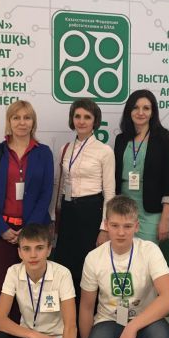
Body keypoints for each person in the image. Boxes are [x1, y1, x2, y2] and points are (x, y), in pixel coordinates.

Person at [79, 195, 169, 338]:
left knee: (161, 337)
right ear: (106, 225)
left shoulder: (150, 251)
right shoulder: (94, 258)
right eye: (115, 225)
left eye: (127, 226)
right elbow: (86, 307)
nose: (121, 232)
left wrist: (132, 327)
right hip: (108, 320)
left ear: (137, 226)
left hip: (145, 320)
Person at [0, 100, 54, 322]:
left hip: (34, 234)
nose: (22, 122)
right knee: (6, 287)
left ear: (33, 122)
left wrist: (27, 231)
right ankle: (4, 335)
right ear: (9, 121)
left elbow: (46, 194)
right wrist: (2, 229)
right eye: (16, 117)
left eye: (27, 117)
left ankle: (34, 335)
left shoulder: (44, 153)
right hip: (1, 234)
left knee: (35, 286)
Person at [53, 98, 115, 302]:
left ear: (95, 121)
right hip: (68, 211)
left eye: (87, 117)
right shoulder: (65, 149)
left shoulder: (104, 151)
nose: (81, 121)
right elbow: (60, 185)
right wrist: (55, 216)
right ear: (72, 119)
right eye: (77, 116)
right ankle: (68, 312)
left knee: (88, 267)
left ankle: (88, 313)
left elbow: (109, 192)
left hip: (91, 212)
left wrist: (104, 227)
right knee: (65, 265)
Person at [114, 89, 169, 244]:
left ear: (153, 112)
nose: (140, 112)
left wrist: (166, 218)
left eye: (146, 108)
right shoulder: (121, 139)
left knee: (146, 254)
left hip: (151, 212)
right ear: (129, 111)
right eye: (135, 107)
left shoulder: (164, 139)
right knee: (124, 253)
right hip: (123, 209)